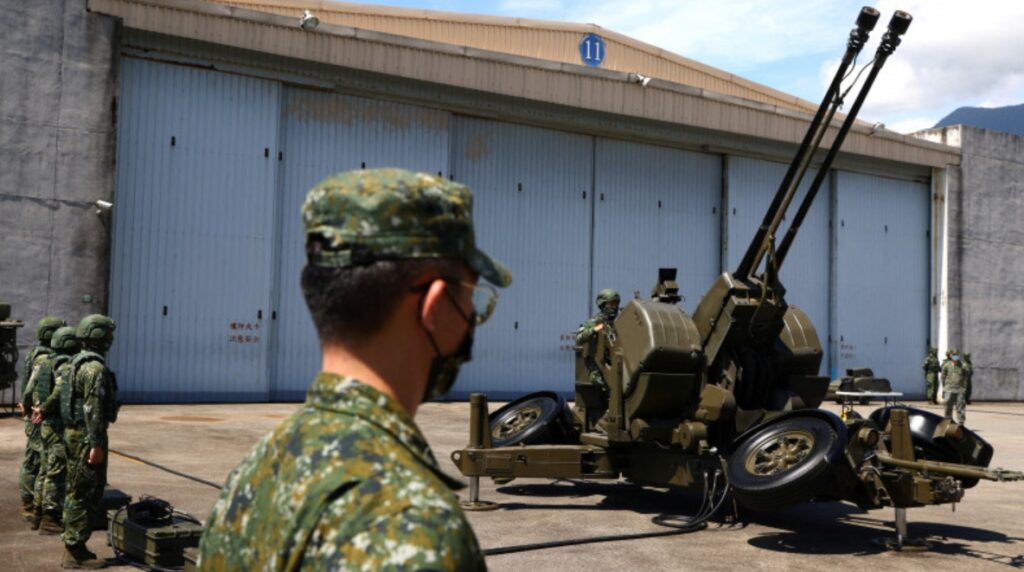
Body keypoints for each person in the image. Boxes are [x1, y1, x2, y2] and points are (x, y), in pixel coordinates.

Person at [199, 168, 511, 571]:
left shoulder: (257, 470)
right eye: (471, 296)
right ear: (433, 306)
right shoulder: (410, 527)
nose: (473, 314)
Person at [58, 314, 118, 569]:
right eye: (107, 334)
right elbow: (92, 408)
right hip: (87, 437)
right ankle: (74, 551)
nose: (110, 339)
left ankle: (75, 546)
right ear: (98, 336)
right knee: (85, 493)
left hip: (74, 435)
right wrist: (95, 444)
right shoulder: (94, 369)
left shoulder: (74, 363)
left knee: (75, 489)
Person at [31, 326, 81, 535]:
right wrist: (45, 409)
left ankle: (38, 512)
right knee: (56, 471)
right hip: (56, 425)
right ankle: (50, 518)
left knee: (45, 469)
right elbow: (60, 391)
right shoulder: (63, 364)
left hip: (46, 426)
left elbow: (34, 388)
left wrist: (38, 408)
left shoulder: (45, 361)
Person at [17, 316, 65, 524]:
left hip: (33, 413)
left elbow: (26, 387)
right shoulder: (46, 358)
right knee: (37, 461)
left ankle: (32, 503)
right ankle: (31, 504)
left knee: (34, 460)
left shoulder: (35, 354)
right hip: (39, 416)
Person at [574, 289, 621, 393]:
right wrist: (594, 330)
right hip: (597, 364)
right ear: (603, 305)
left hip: (616, 361)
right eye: (611, 304)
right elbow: (578, 338)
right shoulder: (595, 321)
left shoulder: (620, 321)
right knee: (603, 383)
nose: (614, 307)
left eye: (616, 303)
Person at [941, 349, 968, 425]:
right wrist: (945, 388)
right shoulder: (946, 365)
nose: (955, 356)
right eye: (954, 355)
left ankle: (961, 423)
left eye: (957, 355)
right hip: (949, 389)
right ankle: (948, 422)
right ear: (950, 356)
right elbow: (943, 377)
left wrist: (964, 388)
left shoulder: (963, 365)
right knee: (947, 406)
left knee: (960, 407)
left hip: (960, 390)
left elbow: (966, 377)